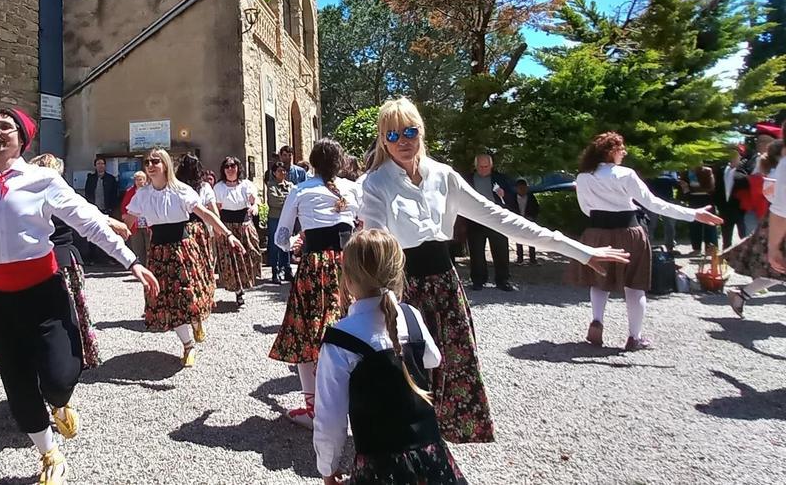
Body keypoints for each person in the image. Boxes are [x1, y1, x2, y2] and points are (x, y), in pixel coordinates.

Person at [0, 109, 159, 485]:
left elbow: (86, 219)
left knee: (59, 376)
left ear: (22, 137)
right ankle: (50, 454)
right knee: (18, 386)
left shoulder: (42, 180)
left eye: (5, 126)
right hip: (0, 299)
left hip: (44, 293)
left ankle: (61, 400)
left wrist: (131, 260)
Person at [360, 98, 629, 443]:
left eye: (410, 130)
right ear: (383, 139)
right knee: (406, 377)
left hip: (445, 287)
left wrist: (577, 250)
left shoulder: (444, 177)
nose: (403, 140)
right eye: (393, 134)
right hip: (402, 291)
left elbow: (502, 219)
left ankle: (437, 448)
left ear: (421, 132)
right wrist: (377, 301)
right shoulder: (376, 183)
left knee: (452, 370)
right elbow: (377, 244)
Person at [314, 229, 466, 485]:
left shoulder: (341, 338)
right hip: (431, 457)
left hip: (380, 466)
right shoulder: (411, 316)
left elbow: (330, 417)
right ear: (398, 274)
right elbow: (433, 359)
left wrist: (327, 468)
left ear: (348, 280)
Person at [571, 132, 722, 351]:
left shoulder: (583, 177)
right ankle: (635, 337)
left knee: (599, 280)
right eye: (622, 149)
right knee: (635, 286)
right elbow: (654, 204)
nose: (624, 153)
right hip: (629, 231)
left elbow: (586, 209)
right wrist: (693, 214)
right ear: (611, 151)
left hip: (597, 231)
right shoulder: (625, 174)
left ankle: (597, 321)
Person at [0, 153, 111, 374]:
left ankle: (50, 372)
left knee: (47, 317)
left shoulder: (33, 195)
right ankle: (53, 371)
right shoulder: (42, 194)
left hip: (55, 260)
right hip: (48, 263)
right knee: (57, 318)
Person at [269, 139, 361, 428]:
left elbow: (280, 237)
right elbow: (367, 224)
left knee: (305, 334)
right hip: (350, 266)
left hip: (316, 267)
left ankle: (314, 409)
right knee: (353, 329)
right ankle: (352, 401)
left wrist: (293, 244)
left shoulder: (300, 190)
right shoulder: (352, 189)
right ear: (341, 162)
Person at [123, 148, 239, 366]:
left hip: (181, 248)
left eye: (155, 161)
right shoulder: (143, 195)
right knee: (167, 300)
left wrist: (229, 234)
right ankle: (187, 345)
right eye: (147, 162)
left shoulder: (181, 190)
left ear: (165, 164)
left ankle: (195, 323)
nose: (150, 165)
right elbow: (126, 224)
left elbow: (206, 214)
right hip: (158, 251)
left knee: (187, 295)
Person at [724, 139, 786, 317]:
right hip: (778, 224)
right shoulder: (776, 173)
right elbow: (773, 198)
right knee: (777, 268)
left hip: (776, 223)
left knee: (777, 270)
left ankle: (741, 294)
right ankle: (741, 294)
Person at [176, 153, 220, 335]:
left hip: (181, 229)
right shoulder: (204, 187)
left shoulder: (177, 187)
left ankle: (190, 303)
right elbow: (213, 210)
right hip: (199, 229)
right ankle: (203, 298)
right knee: (203, 266)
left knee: (187, 269)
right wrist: (218, 229)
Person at [214, 156, 263, 307]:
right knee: (231, 259)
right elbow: (217, 208)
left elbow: (254, 200)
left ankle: (245, 283)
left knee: (250, 254)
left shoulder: (246, 185)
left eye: (233, 166)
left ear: (238, 168)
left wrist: (254, 207)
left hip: (244, 224)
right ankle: (238, 290)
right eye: (227, 166)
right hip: (227, 226)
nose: (230, 169)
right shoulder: (219, 187)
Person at [465, 153, 515, 291]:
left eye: (486, 166)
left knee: (501, 251)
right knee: (476, 252)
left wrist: (504, 195)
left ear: (491, 166)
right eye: (480, 166)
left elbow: (512, 196)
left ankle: (502, 280)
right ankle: (478, 280)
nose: (483, 169)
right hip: (475, 219)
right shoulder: (468, 179)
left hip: (496, 219)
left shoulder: (500, 178)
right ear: (476, 166)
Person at [265, 161, 296, 284]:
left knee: (287, 243)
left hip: (287, 217)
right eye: (279, 171)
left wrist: (287, 200)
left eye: (284, 170)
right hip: (275, 218)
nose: (282, 173)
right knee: (274, 244)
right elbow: (273, 201)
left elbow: (294, 199)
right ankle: (275, 271)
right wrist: (287, 200)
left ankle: (287, 269)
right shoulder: (271, 185)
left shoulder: (290, 185)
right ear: (274, 173)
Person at [714, 145, 750, 247]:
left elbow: (747, 184)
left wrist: (738, 167)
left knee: (744, 235)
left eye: (735, 155)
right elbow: (717, 189)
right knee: (726, 238)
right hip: (725, 209)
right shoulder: (722, 170)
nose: (732, 157)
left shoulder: (743, 170)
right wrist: (719, 205)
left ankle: (745, 258)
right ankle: (726, 259)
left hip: (740, 209)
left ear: (740, 156)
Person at [680, 164, 717, 254]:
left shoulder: (707, 171)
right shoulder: (685, 172)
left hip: (706, 199)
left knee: (709, 224)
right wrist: (686, 189)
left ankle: (711, 248)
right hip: (693, 200)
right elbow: (683, 187)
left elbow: (710, 187)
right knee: (694, 224)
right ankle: (696, 248)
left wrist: (691, 188)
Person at [506, 178, 542, 265]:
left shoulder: (531, 197)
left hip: (529, 221)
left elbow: (536, 208)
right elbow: (509, 209)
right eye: (520, 188)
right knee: (519, 240)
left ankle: (533, 259)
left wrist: (532, 217)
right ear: (517, 188)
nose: (522, 190)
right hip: (517, 221)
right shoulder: (512, 198)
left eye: (524, 188)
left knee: (531, 240)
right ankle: (520, 259)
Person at [644, 171, 681, 251]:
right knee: (650, 224)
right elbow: (647, 181)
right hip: (652, 201)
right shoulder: (650, 169)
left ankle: (670, 246)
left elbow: (675, 183)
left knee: (670, 225)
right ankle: (647, 246)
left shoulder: (671, 170)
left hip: (667, 200)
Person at [120, 170, 150, 266]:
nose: (138, 181)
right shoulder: (130, 192)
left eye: (140, 179)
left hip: (148, 224)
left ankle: (150, 267)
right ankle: (141, 267)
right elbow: (124, 206)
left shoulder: (150, 191)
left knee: (149, 247)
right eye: (136, 179)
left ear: (145, 180)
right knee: (138, 248)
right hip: (135, 225)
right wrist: (125, 215)